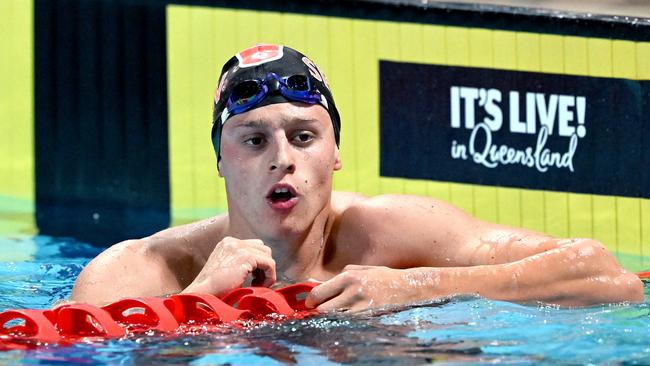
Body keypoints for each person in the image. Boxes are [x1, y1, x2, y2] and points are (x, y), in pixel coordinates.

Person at [71, 44, 643, 311]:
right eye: (253, 140)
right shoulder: (142, 269)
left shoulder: (393, 232)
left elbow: (608, 276)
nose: (282, 159)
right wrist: (199, 302)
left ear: (335, 153)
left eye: (303, 136)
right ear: (220, 161)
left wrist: (419, 286)